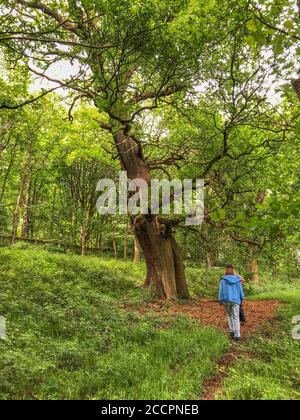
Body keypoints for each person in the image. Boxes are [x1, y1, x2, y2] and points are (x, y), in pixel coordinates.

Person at [219, 264, 245, 342]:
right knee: (236, 317)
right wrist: (242, 298)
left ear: (226, 270)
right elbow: (240, 290)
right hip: (236, 300)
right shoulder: (238, 279)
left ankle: (232, 331)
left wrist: (220, 299)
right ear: (233, 270)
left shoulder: (223, 280)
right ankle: (237, 335)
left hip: (227, 300)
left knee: (229, 315)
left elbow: (221, 291)